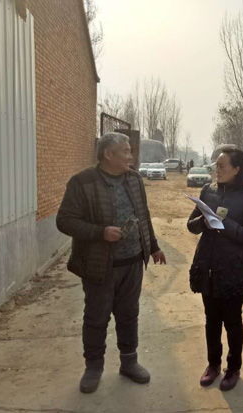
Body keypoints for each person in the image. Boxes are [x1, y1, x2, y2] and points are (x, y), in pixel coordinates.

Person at [57, 132, 167, 394]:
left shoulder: (134, 179)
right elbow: (64, 221)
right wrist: (100, 232)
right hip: (99, 265)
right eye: (126, 151)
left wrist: (153, 246)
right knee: (97, 317)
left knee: (129, 315)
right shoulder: (82, 182)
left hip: (132, 263)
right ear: (108, 154)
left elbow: (143, 215)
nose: (131, 156)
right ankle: (93, 367)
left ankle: (129, 363)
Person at [187, 148, 243, 392]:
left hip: (233, 268)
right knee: (211, 320)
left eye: (222, 166)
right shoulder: (208, 190)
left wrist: (223, 224)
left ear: (237, 169)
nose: (216, 170)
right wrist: (203, 222)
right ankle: (213, 364)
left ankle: (233, 367)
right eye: (215, 166)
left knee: (232, 321)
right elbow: (191, 225)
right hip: (207, 264)